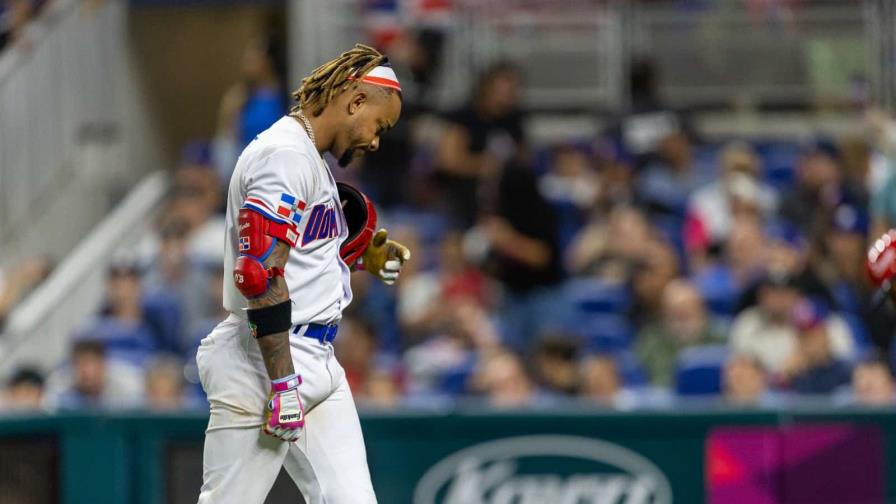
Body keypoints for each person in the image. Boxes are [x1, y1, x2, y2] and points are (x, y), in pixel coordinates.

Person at [196, 44, 410, 504]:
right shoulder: (286, 156)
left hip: (314, 359)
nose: (375, 140)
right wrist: (283, 382)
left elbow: (298, 252)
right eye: (380, 125)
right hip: (267, 360)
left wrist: (355, 257)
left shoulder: (306, 156)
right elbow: (259, 275)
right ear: (355, 102)